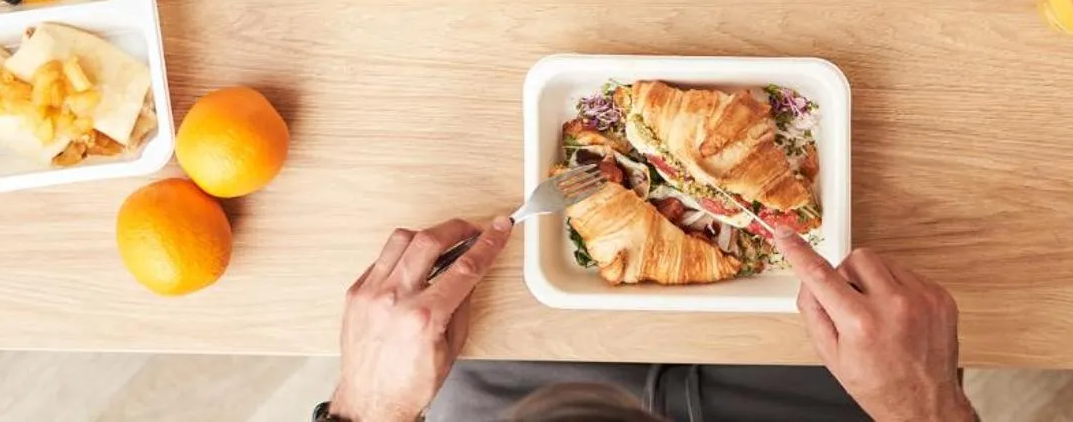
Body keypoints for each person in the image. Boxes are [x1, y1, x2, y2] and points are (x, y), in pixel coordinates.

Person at [321, 217, 977, 422]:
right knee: (891, 328)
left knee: (462, 354)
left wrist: (367, 407)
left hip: (517, 396)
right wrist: (923, 405)